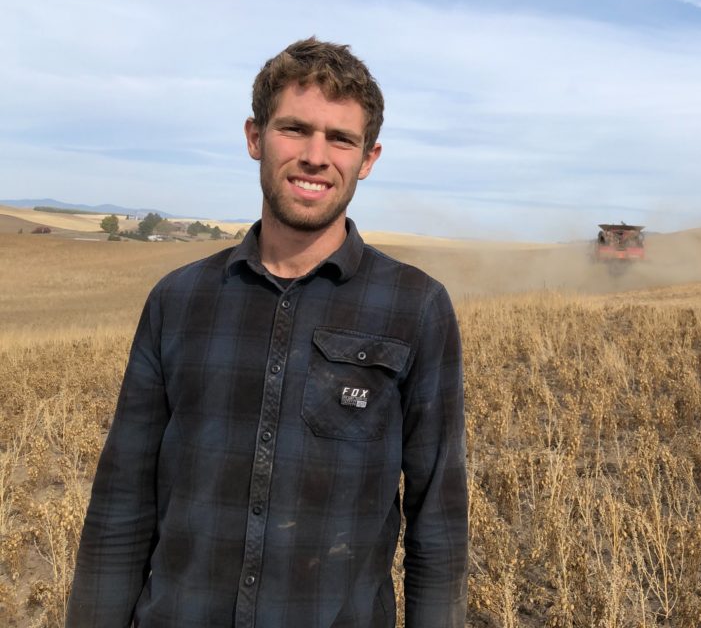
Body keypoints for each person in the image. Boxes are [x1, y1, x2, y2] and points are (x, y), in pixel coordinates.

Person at [67, 38, 468, 628]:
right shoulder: (178, 301)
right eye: (294, 129)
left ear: (369, 158)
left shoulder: (416, 307)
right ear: (255, 137)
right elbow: (121, 503)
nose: (315, 155)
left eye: (341, 138)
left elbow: (438, 521)